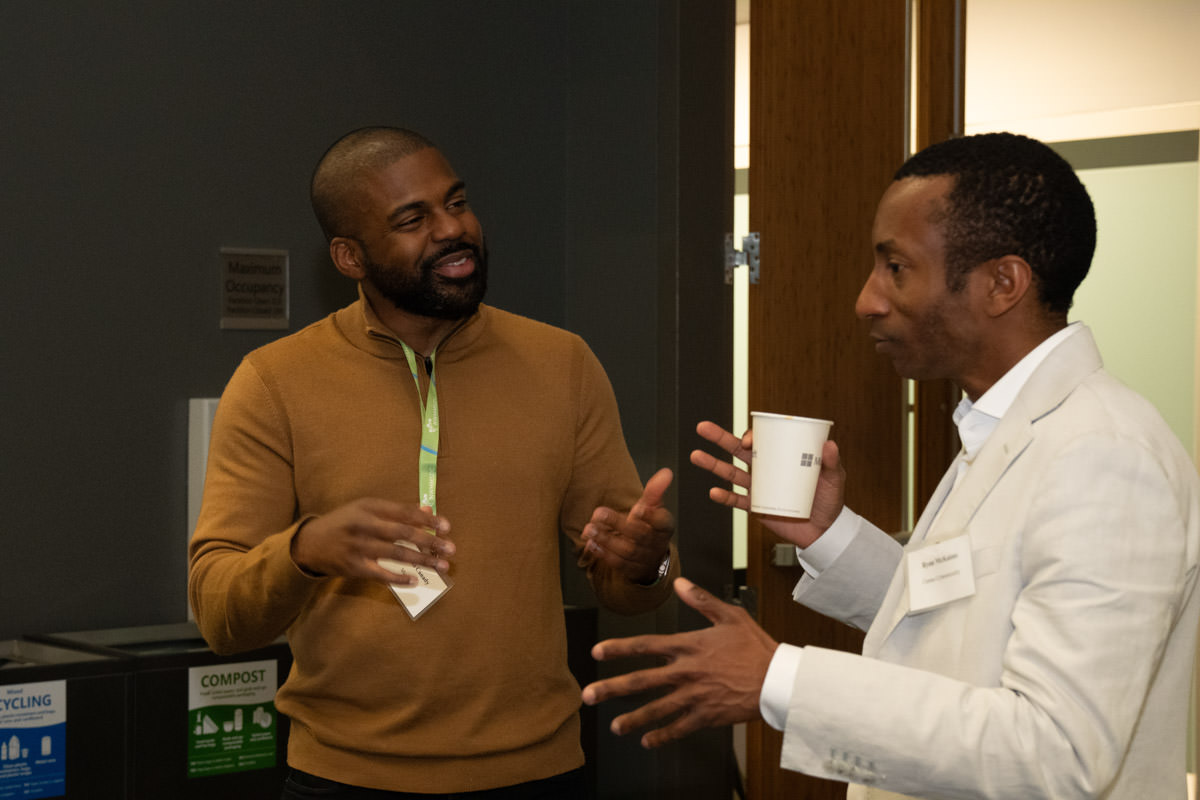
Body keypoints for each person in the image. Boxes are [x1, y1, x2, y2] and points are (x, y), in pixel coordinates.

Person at [581, 132, 1200, 799]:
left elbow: (1059, 754)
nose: (866, 300)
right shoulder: (1003, 429)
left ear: (1002, 284)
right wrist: (830, 535)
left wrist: (781, 680)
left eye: (896, 268)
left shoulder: (1103, 456)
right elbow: (962, 624)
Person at [188, 126, 679, 799]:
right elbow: (219, 615)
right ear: (349, 256)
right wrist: (306, 549)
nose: (453, 230)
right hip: (345, 777)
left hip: (538, 770)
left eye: (457, 202)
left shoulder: (563, 364)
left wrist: (644, 562)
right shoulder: (275, 381)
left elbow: (625, 589)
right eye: (413, 219)